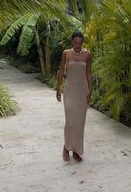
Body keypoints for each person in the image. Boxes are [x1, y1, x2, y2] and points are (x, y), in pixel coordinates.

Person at [56, 30, 92, 162]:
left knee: (80, 122)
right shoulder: (66, 53)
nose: (78, 45)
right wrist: (58, 88)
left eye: (80, 43)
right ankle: (66, 147)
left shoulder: (87, 54)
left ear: (83, 43)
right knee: (70, 121)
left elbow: (88, 73)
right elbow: (61, 71)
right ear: (71, 42)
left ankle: (76, 150)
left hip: (82, 91)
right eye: (75, 42)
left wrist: (90, 89)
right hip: (70, 91)